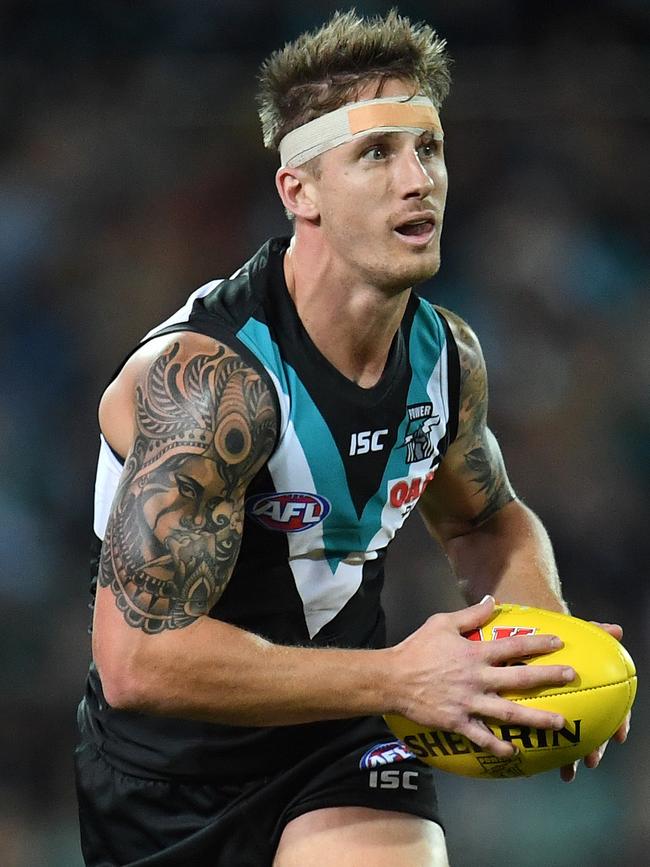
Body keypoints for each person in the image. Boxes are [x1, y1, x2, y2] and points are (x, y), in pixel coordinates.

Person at [74, 10, 629, 867]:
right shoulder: (213, 383)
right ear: (300, 191)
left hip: (345, 740)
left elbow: (486, 521)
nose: (419, 181)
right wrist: (402, 676)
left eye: (428, 149)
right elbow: (139, 661)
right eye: (377, 155)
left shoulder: (446, 357)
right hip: (164, 776)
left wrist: (545, 646)